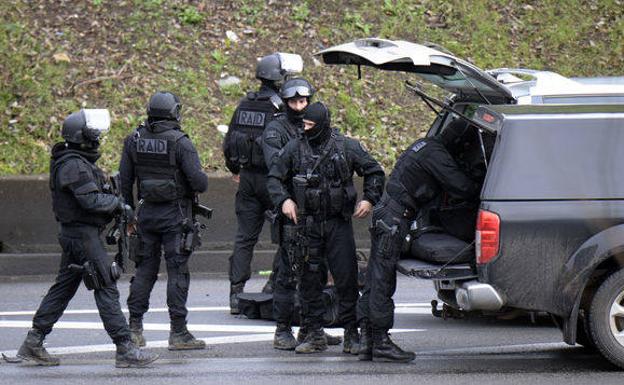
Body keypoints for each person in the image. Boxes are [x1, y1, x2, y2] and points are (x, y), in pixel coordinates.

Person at [16, 109, 158, 368]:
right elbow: (90, 200)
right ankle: (125, 348)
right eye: (95, 135)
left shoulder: (74, 160)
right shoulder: (73, 165)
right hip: (81, 235)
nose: (98, 140)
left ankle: (33, 342)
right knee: (105, 285)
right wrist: (117, 204)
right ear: (83, 137)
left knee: (64, 287)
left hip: (76, 234)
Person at [357, 119, 481, 362]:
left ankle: (367, 340)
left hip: (387, 214)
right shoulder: (438, 155)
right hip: (394, 219)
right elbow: (462, 188)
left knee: (374, 276)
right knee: (382, 280)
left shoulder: (425, 144)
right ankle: (380, 341)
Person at [267, 102, 385, 354]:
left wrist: (369, 199)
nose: (306, 129)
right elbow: (274, 178)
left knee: (346, 279)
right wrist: (284, 200)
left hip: (338, 224)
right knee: (308, 279)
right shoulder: (295, 148)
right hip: (306, 224)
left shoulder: (346, 146)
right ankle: (314, 332)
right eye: (304, 125)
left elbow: (374, 171)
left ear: (321, 125)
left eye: (310, 125)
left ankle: (352, 332)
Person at [120, 91, 209, 350]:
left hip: (145, 216)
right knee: (177, 272)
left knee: (144, 271)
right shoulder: (181, 142)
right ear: (175, 113)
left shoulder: (133, 140)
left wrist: (129, 215)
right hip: (176, 217)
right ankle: (178, 332)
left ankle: (134, 328)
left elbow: (125, 182)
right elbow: (199, 183)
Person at [262, 78, 341, 350]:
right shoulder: (276, 130)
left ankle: (311, 328)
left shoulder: (316, 128)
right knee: (286, 274)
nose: (300, 106)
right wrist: (284, 200)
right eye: (295, 102)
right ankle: (282, 329)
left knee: (317, 273)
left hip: (316, 212)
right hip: (291, 212)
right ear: (286, 102)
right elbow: (275, 169)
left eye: (304, 101)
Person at [223, 53, 303, 314]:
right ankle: (272, 284)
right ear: (280, 79)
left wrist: (236, 169)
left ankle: (236, 293)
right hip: (272, 182)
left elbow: (229, 144)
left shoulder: (243, 105)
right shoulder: (281, 108)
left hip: (246, 180)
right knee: (288, 234)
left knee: (245, 237)